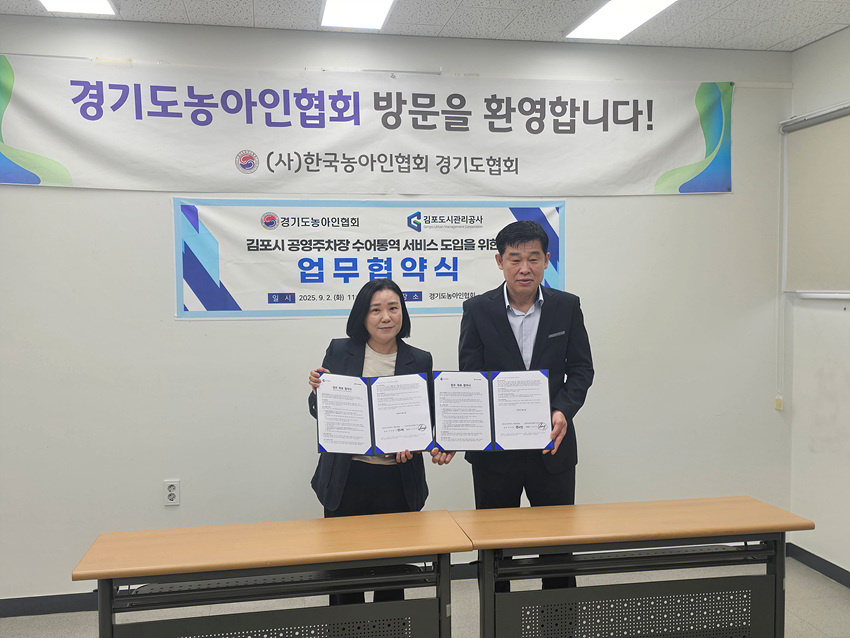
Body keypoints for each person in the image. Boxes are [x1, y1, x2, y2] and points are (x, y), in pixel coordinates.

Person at [431, 219, 594, 589]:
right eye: (515, 259)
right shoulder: (478, 309)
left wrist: (563, 410)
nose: (525, 268)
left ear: (547, 260)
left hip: (551, 447)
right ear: (499, 261)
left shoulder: (566, 307)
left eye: (533, 258)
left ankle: (557, 619)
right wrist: (458, 431)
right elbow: (471, 377)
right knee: (494, 550)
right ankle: (497, 618)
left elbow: (581, 370)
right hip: (494, 453)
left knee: (557, 549)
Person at [308, 278, 433, 604]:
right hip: (347, 478)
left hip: (395, 480)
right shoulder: (340, 351)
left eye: (393, 308)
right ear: (362, 316)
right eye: (376, 310)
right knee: (344, 577)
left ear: (403, 313)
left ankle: (387, 627)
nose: (386, 317)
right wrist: (318, 391)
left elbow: (425, 418)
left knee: (390, 578)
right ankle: (346, 627)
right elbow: (319, 412)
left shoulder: (420, 359)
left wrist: (414, 444)